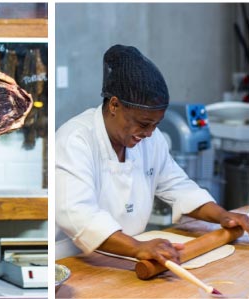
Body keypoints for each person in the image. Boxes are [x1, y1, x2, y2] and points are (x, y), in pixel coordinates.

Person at [55, 44, 249, 263]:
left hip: (127, 257)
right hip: (76, 261)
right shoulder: (75, 139)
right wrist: (137, 248)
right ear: (114, 105)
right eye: (143, 123)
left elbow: (178, 186)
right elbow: (79, 215)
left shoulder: (150, 139)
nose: (149, 133)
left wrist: (222, 216)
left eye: (156, 124)